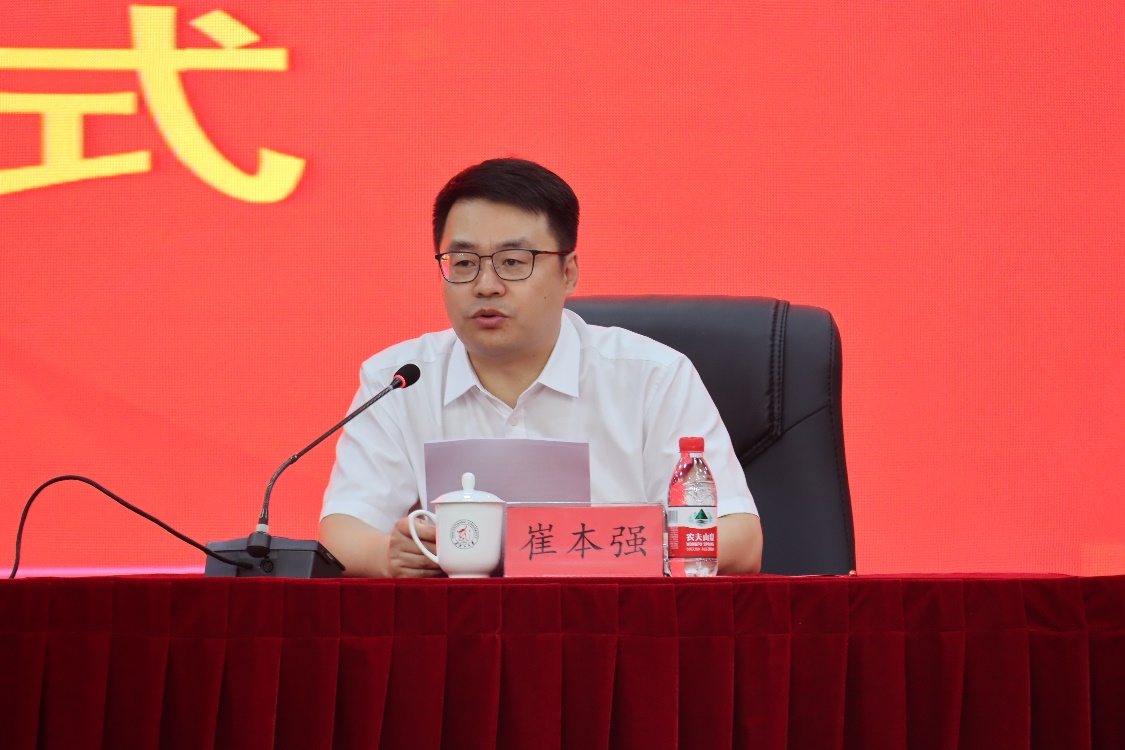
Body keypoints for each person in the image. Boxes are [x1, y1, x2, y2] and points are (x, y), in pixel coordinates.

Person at [319, 158, 763, 577]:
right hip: (458, 627)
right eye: (465, 263)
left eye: (513, 262)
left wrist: (606, 548)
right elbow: (342, 531)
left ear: (568, 272)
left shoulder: (654, 378)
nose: (486, 285)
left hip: (614, 622)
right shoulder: (399, 381)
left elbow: (739, 539)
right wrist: (387, 556)